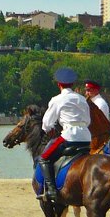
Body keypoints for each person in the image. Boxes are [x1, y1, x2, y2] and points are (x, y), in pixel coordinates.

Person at [37, 67, 92, 201]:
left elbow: (46, 123)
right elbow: (88, 120)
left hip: (69, 136)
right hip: (86, 137)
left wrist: (48, 130)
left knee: (44, 158)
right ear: (72, 84)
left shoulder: (57, 99)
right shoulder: (81, 99)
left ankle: (51, 191)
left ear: (59, 84)